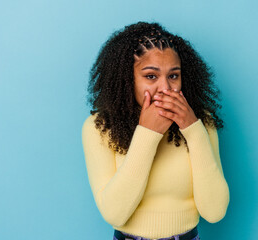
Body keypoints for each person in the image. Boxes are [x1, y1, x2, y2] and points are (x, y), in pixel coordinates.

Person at [81, 21, 230, 240]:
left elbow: (215, 212)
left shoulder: (202, 123)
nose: (165, 88)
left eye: (173, 75)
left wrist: (192, 128)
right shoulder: (99, 127)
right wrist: (148, 134)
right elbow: (114, 214)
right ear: (127, 79)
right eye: (151, 76)